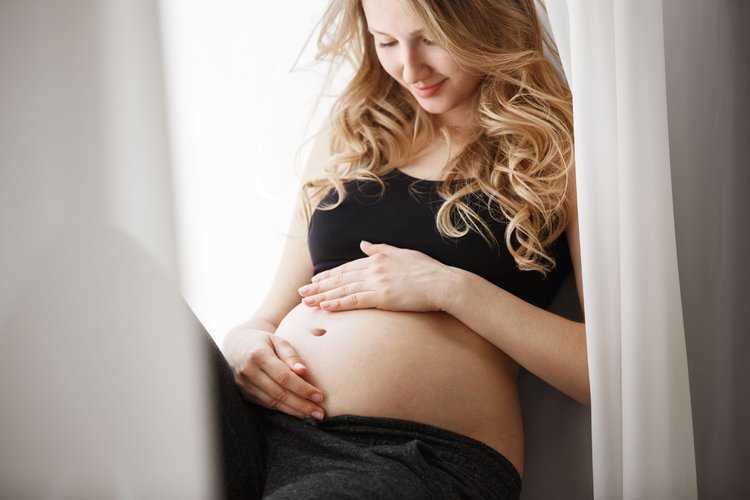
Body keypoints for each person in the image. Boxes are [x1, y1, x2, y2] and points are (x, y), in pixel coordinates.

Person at [211, 0, 588, 498]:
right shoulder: (354, 131)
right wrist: (242, 347)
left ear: (489, 19)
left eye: (431, 39)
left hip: (408, 454)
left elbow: (613, 373)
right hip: (262, 422)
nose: (410, 69)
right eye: (386, 42)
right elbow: (268, 312)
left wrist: (451, 288)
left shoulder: (560, 145)